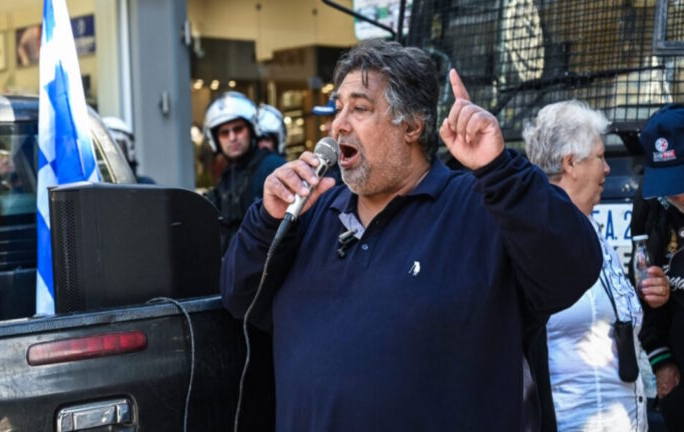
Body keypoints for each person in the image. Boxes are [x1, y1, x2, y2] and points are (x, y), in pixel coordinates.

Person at [220, 39, 602, 431]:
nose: (338, 125)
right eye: (338, 108)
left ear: (412, 126)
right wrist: (267, 219)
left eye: (360, 108)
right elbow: (239, 297)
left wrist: (500, 170)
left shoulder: (480, 207)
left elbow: (575, 267)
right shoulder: (313, 213)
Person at [524, 100, 662, 431]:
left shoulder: (590, 229)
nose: (608, 168)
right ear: (571, 163)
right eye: (600, 156)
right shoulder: (534, 239)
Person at [629, 103, 684, 431]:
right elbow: (638, 283)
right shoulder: (652, 203)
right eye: (667, 182)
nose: (675, 194)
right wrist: (661, 360)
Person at [203, 91, 285, 250]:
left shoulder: (272, 165)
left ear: (252, 129)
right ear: (216, 140)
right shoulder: (228, 174)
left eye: (238, 129)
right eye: (224, 133)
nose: (232, 137)